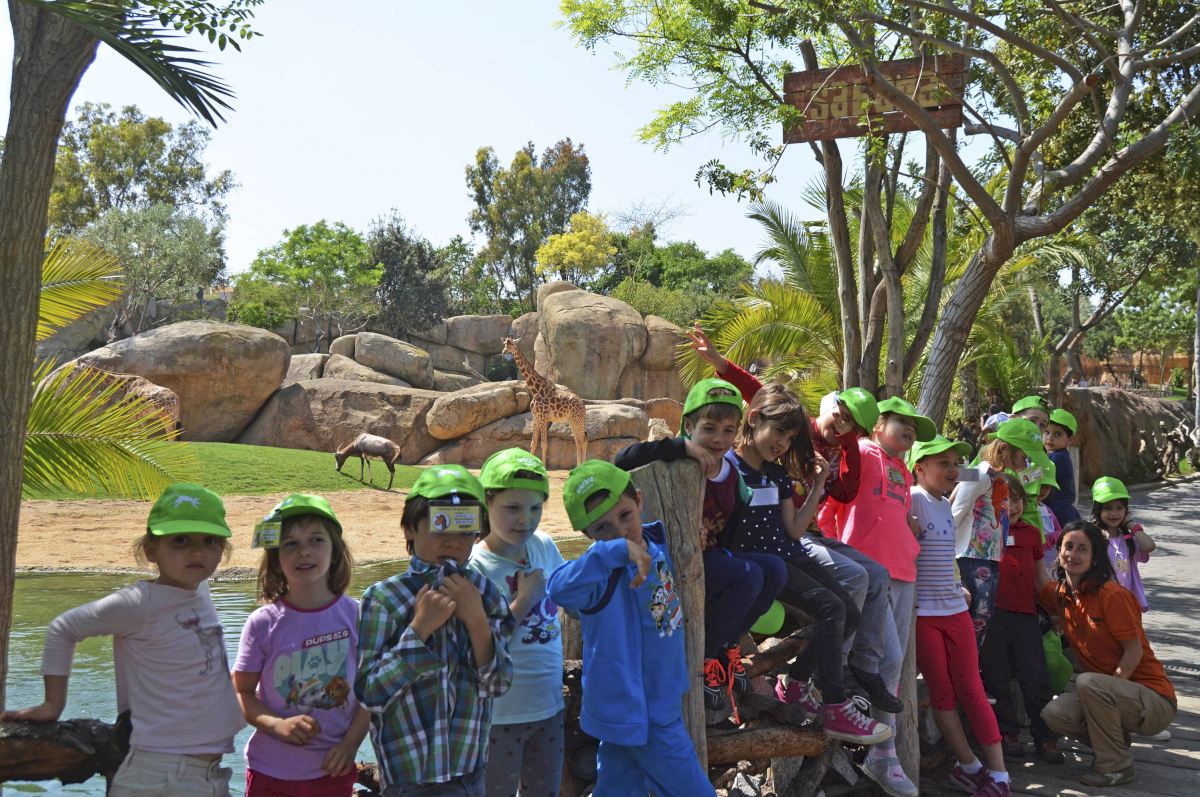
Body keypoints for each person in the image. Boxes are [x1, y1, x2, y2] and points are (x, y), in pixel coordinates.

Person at [687, 324, 901, 714]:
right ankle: (830, 697)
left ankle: (801, 680)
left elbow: (842, 492)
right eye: (841, 415)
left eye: (853, 425)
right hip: (768, 555)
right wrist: (719, 363)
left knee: (851, 604)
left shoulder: (792, 462)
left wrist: (830, 467)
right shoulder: (784, 438)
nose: (843, 425)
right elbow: (760, 394)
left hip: (792, 545)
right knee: (830, 598)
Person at [1, 483, 244, 796]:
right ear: (151, 550)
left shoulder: (200, 591)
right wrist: (52, 705)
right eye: (180, 540)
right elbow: (63, 628)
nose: (197, 552)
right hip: (158, 774)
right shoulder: (138, 603)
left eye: (209, 541)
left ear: (222, 550)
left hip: (208, 774)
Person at [729, 384, 891, 745]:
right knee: (832, 608)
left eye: (790, 437)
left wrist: (818, 484)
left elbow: (794, 529)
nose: (783, 443)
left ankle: (796, 681)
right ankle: (835, 705)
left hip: (789, 553)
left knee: (849, 612)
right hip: (761, 562)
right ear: (753, 419)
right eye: (779, 432)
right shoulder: (728, 467)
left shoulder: (777, 475)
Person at [613, 377, 785, 717]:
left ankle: (727, 647)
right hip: (672, 561)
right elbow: (621, 459)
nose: (718, 439)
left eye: (728, 430)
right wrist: (681, 448)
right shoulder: (674, 458)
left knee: (774, 570)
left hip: (711, 558)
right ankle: (706, 658)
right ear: (689, 426)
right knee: (748, 575)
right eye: (708, 429)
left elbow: (733, 526)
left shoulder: (731, 472)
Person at [547, 459, 717, 797]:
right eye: (603, 528)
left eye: (625, 515)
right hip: (642, 716)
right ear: (588, 536)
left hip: (655, 704)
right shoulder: (600, 574)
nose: (620, 531)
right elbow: (557, 589)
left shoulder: (655, 546)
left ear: (639, 500)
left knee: (618, 788)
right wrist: (611, 553)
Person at [356, 465, 514, 796]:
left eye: (466, 529)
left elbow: (498, 683)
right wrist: (419, 628)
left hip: (468, 773)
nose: (453, 541)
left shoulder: (487, 595)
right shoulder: (383, 599)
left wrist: (477, 621)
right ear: (410, 528)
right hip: (406, 778)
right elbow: (370, 692)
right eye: (441, 523)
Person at [234, 493, 371, 797]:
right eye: (290, 544)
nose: (304, 551)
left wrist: (351, 744)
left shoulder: (359, 616)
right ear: (276, 558)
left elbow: (371, 693)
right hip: (269, 771)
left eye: (316, 540)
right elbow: (241, 693)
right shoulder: (262, 623)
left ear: (335, 550)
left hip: (333, 770)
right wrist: (275, 724)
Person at [837, 395, 937, 797]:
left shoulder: (903, 470)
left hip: (903, 570)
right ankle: (880, 750)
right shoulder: (861, 452)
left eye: (915, 427)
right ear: (877, 424)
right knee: (889, 658)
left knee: (892, 670)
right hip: (867, 568)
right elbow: (836, 499)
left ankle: (885, 754)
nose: (910, 429)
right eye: (901, 422)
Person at [909, 437, 1011, 797]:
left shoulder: (943, 503)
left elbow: (946, 553)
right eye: (944, 463)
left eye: (956, 463)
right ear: (920, 468)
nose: (953, 470)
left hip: (954, 611)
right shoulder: (913, 500)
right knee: (942, 693)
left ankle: (999, 774)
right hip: (924, 615)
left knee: (972, 689)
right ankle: (969, 767)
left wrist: (956, 583)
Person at [1041, 522, 1177, 787]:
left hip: (1154, 700)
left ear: (1095, 559)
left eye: (1083, 549)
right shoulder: (1060, 593)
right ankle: (1115, 743)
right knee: (1055, 713)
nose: (1073, 554)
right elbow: (1035, 582)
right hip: (1106, 694)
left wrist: (1105, 696)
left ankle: (1116, 767)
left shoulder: (1112, 595)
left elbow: (1134, 652)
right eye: (1068, 546)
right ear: (1058, 551)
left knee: (1088, 682)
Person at [467, 448, 567, 797]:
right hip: (498, 718)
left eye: (535, 508)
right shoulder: (475, 568)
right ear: (487, 502)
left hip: (549, 708)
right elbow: (480, 647)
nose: (526, 519)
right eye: (512, 508)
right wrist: (524, 600)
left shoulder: (544, 546)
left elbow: (574, 597)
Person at [979, 475, 1062, 765]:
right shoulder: (984, 530)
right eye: (1003, 499)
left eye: (1016, 499)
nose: (1011, 506)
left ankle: (1045, 736)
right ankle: (1008, 733)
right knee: (997, 677)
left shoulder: (1030, 534)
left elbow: (1041, 577)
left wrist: (1056, 609)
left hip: (1026, 616)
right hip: (992, 616)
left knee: (1036, 677)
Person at [951, 418, 1043, 651]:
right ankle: (963, 657)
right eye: (1025, 455)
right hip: (971, 555)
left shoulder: (999, 477)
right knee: (978, 613)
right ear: (1005, 449)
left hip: (991, 556)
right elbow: (956, 510)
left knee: (985, 613)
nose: (1028, 462)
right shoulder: (981, 473)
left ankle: (971, 660)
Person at [1090, 477, 1156, 612]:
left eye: (1119, 508)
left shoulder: (1128, 539)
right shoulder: (1092, 537)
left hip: (1126, 604)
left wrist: (1130, 524)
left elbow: (1149, 546)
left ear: (1126, 511)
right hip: (1099, 603)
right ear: (1098, 510)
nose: (1114, 513)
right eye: (1107, 508)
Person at [1043, 408, 1081, 525]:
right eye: (1047, 432)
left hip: (1059, 513)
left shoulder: (1058, 458)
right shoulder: (1053, 455)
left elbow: (1037, 476)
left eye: (1057, 434)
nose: (1050, 438)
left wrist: (1020, 476)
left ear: (1069, 440)